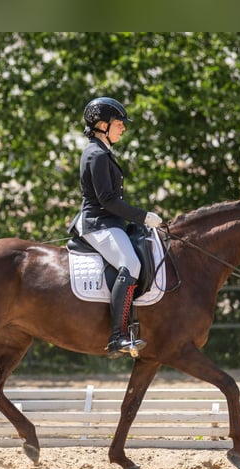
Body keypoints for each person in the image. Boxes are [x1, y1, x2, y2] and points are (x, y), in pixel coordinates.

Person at [68, 96, 164, 358]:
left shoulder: (104, 153)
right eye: (119, 123)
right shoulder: (95, 154)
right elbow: (107, 200)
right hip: (98, 224)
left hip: (110, 223)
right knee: (131, 264)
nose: (123, 127)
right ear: (101, 125)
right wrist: (143, 216)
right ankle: (117, 336)